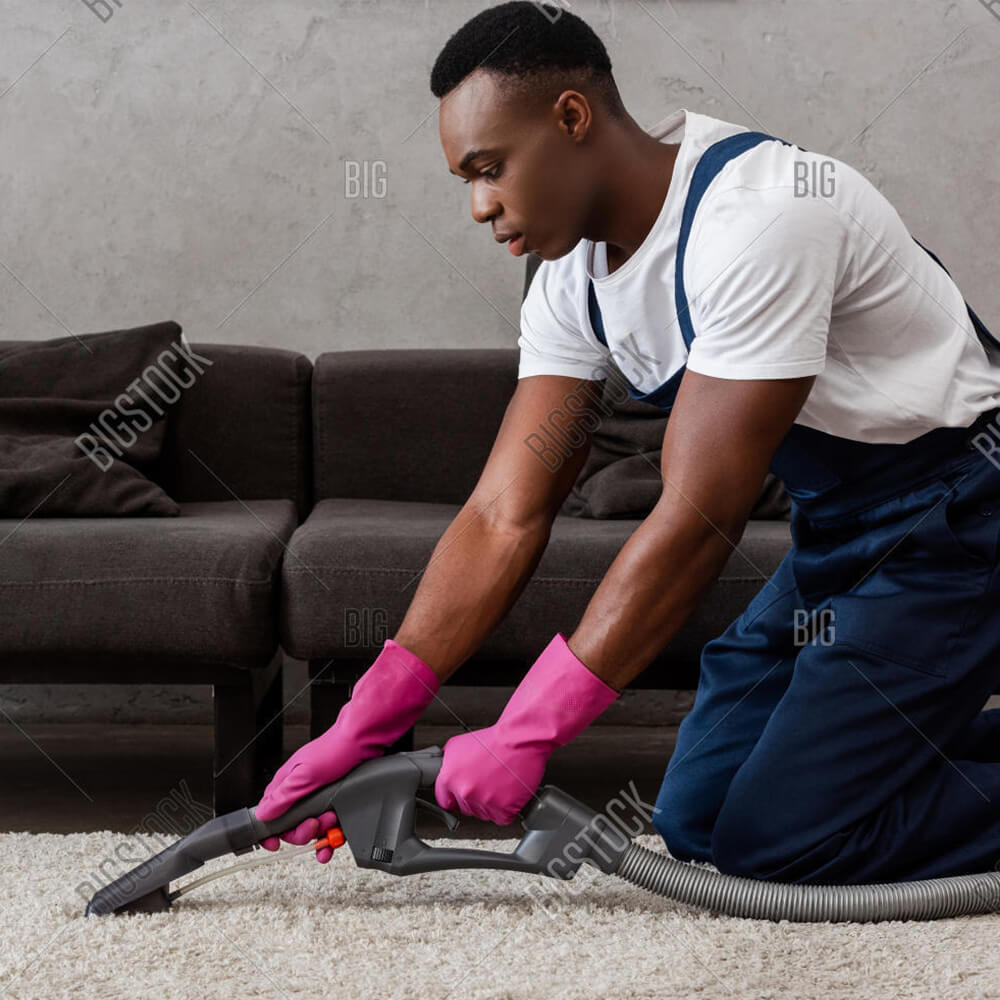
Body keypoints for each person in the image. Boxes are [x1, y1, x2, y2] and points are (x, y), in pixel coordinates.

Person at [254, 2, 1000, 883]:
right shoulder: (570, 278)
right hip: (838, 531)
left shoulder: (760, 217)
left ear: (571, 116)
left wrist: (528, 731)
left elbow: (697, 518)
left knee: (783, 843)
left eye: (490, 169)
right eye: (465, 179)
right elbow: (503, 515)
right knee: (699, 818)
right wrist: (367, 720)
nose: (478, 206)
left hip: (960, 526)